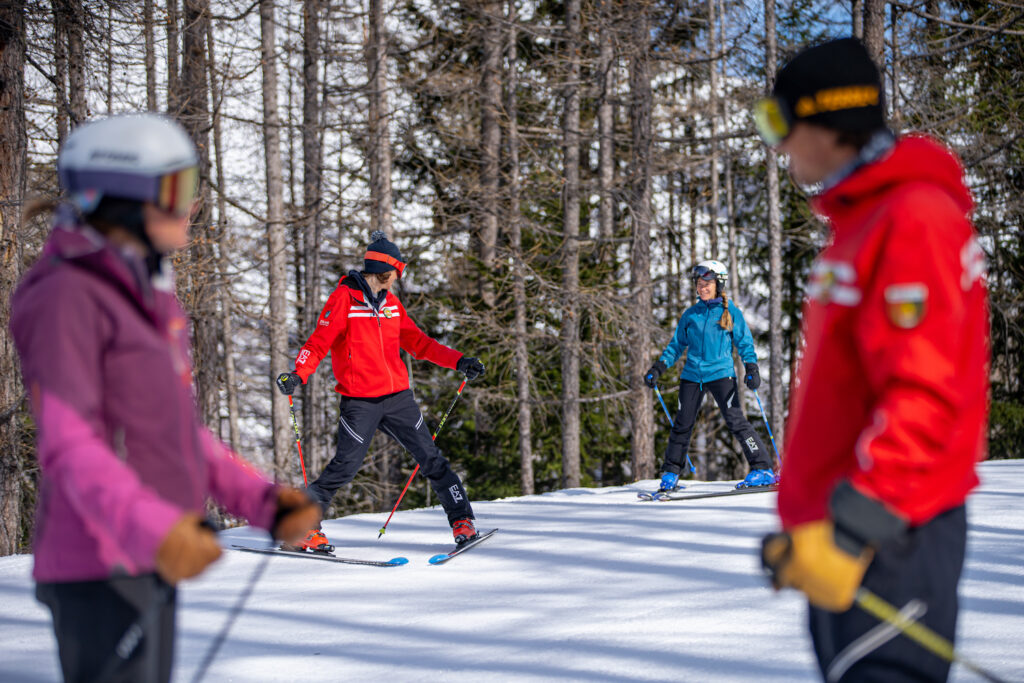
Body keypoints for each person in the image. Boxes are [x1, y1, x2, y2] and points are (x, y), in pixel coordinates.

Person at [10, 113, 321, 683]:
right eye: (177, 190)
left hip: (148, 553)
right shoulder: (66, 295)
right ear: (125, 200)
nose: (192, 205)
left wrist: (263, 502)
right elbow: (69, 443)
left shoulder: (144, 292)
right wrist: (157, 529)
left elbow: (175, 434)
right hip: (97, 564)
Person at [755, 38, 989, 682]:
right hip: (845, 534)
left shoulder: (911, 219)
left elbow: (927, 393)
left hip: (890, 535)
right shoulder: (864, 221)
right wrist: (810, 518)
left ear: (826, 120)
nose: (777, 145)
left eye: (777, 121)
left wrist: (855, 527)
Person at [276, 230, 486, 550]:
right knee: (344, 468)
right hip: (360, 402)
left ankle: (462, 521)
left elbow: (419, 343)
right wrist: (298, 375)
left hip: (398, 398)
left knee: (431, 459)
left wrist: (459, 361)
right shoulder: (344, 300)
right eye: (396, 274)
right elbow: (318, 343)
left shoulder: (391, 304)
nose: (396, 281)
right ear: (385, 272)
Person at [644, 259, 776, 492]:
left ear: (719, 284)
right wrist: (658, 368)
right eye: (699, 283)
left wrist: (752, 368)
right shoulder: (691, 315)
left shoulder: (730, 311)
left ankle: (763, 468)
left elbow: (744, 342)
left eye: (708, 282)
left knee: (736, 420)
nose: (702, 287)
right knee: (682, 424)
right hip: (692, 376)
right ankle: (671, 473)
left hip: (721, 375)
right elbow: (676, 346)